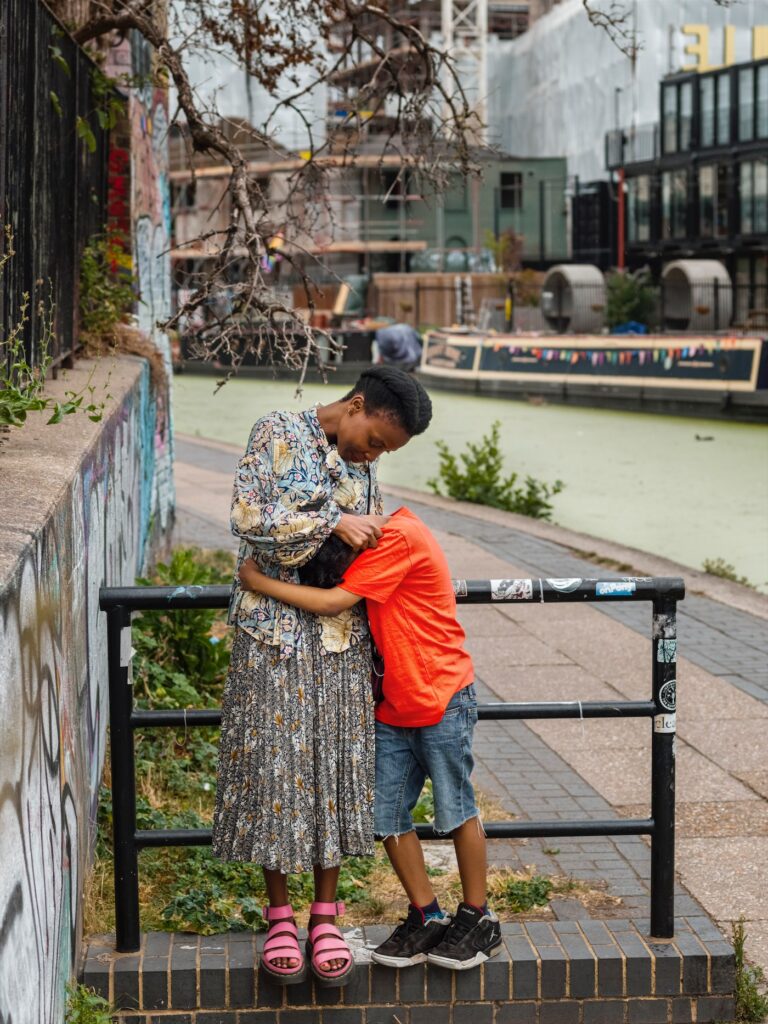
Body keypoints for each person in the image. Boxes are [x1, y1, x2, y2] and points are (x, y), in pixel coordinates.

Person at [212, 368, 433, 988]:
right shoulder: (276, 432)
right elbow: (246, 516)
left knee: (334, 765)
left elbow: (367, 545)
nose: (373, 455)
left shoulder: (361, 465)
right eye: (376, 441)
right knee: (275, 765)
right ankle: (279, 912)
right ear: (357, 405)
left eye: (385, 452)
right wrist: (333, 522)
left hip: (338, 637)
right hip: (272, 637)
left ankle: (325, 915)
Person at [237, 505, 502, 972]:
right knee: (384, 811)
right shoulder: (377, 535)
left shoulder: (397, 539)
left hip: (441, 696)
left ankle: (478, 917)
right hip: (396, 704)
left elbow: (332, 602)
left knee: (456, 808)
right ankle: (427, 914)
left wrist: (257, 582)